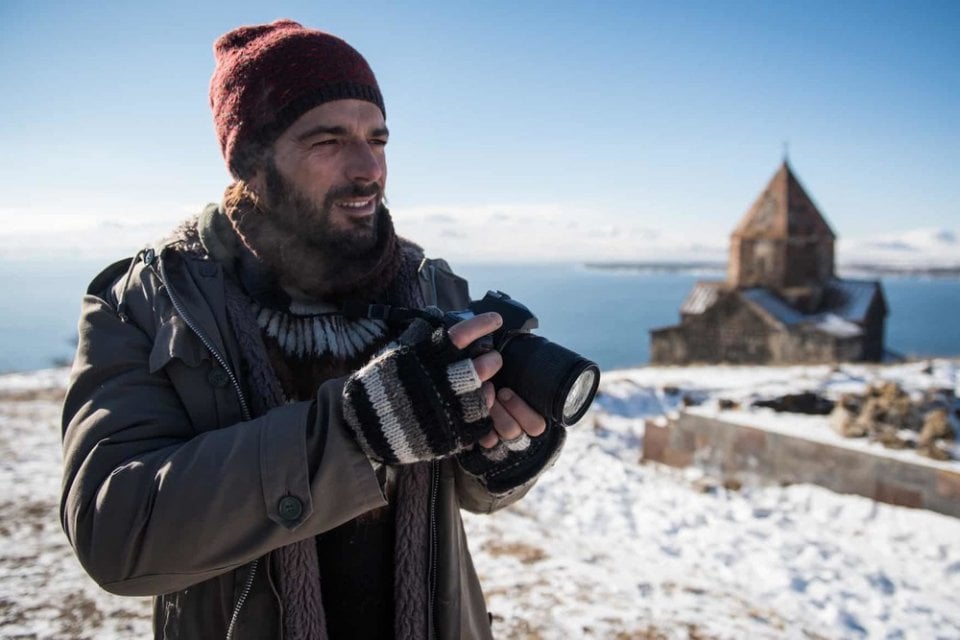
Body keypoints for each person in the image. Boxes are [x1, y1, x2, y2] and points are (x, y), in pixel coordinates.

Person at [59, 19, 565, 640]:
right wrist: (355, 434)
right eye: (329, 140)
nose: (368, 168)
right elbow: (115, 536)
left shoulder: (430, 287)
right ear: (252, 159)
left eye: (377, 140)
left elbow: (465, 492)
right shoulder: (150, 302)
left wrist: (506, 455)